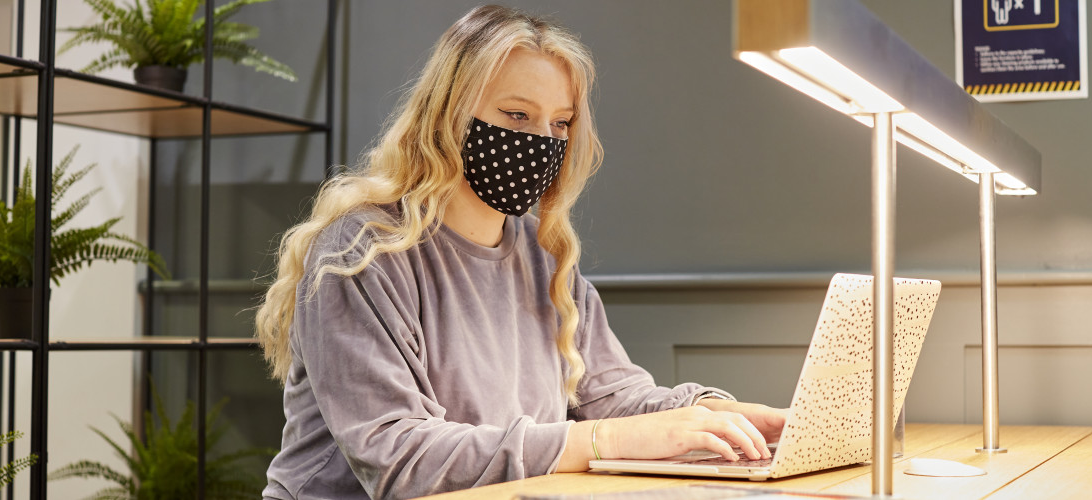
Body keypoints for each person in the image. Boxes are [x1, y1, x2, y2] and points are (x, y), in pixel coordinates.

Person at [256, 5, 787, 499]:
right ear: (448, 114)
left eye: (560, 124)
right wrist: (601, 441)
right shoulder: (363, 252)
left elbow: (612, 396)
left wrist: (718, 413)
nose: (541, 141)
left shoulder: (543, 255)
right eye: (516, 116)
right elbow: (400, 460)